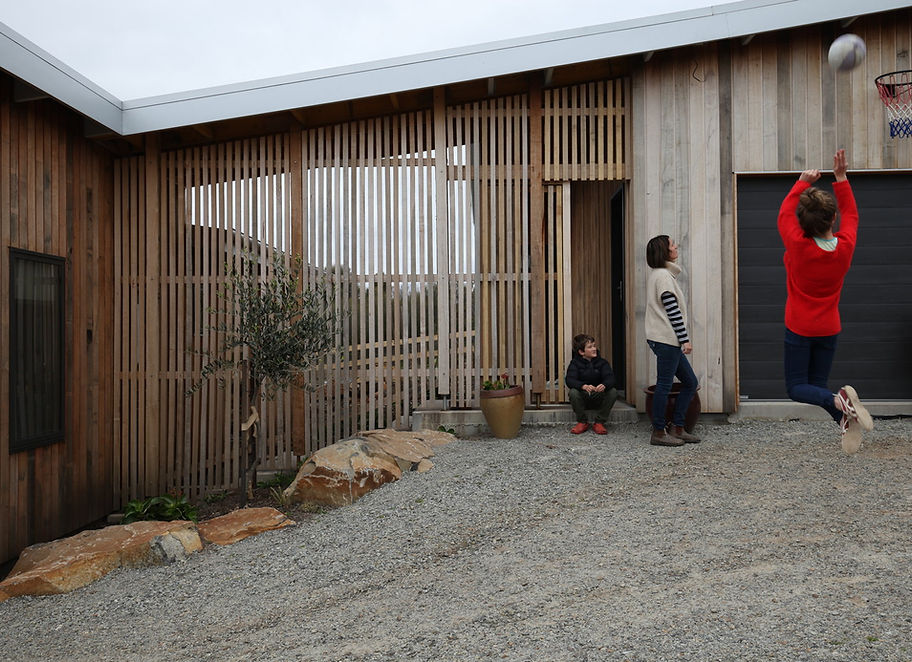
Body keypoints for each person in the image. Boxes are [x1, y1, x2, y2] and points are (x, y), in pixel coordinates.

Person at [777, 148, 873, 454]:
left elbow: (783, 213)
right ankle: (846, 419)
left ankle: (839, 401)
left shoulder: (797, 245)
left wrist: (801, 182)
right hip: (829, 328)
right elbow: (854, 215)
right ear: (833, 218)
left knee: (797, 388)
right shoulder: (844, 247)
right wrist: (841, 178)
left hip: (800, 328)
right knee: (817, 386)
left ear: (803, 225)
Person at [645, 235, 700, 447]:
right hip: (667, 339)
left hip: (667, 340)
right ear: (664, 252)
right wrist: (684, 339)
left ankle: (677, 427)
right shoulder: (663, 277)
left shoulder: (663, 275)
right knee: (665, 385)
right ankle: (659, 432)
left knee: (690, 383)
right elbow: (672, 311)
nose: (676, 247)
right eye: (672, 244)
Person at [564, 334, 618, 435]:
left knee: (613, 392)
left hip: (598, 396)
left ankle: (599, 422)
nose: (594, 349)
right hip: (583, 398)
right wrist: (583, 386)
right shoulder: (575, 363)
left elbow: (611, 378)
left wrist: (604, 385)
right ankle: (582, 422)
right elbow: (570, 380)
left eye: (594, 345)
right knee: (573, 392)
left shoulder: (602, 363)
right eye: (590, 347)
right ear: (581, 352)